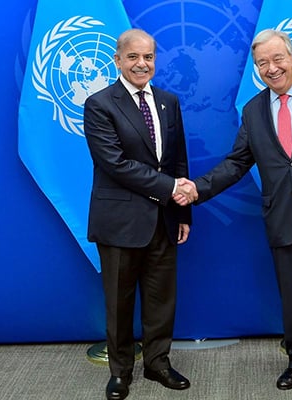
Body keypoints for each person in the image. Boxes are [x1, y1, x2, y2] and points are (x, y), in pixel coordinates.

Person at [174, 29, 292, 400]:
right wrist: (198, 188)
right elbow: (237, 163)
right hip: (282, 218)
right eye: (262, 63)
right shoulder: (253, 110)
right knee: (291, 296)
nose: (271, 68)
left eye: (277, 59)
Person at [83, 28, 196, 400]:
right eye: (133, 57)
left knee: (162, 297)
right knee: (119, 300)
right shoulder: (100, 104)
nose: (141, 64)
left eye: (148, 57)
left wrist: (183, 212)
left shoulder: (168, 101)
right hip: (120, 222)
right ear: (117, 60)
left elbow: (178, 160)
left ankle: (158, 363)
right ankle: (120, 372)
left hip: (165, 219)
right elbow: (114, 163)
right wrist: (169, 189)